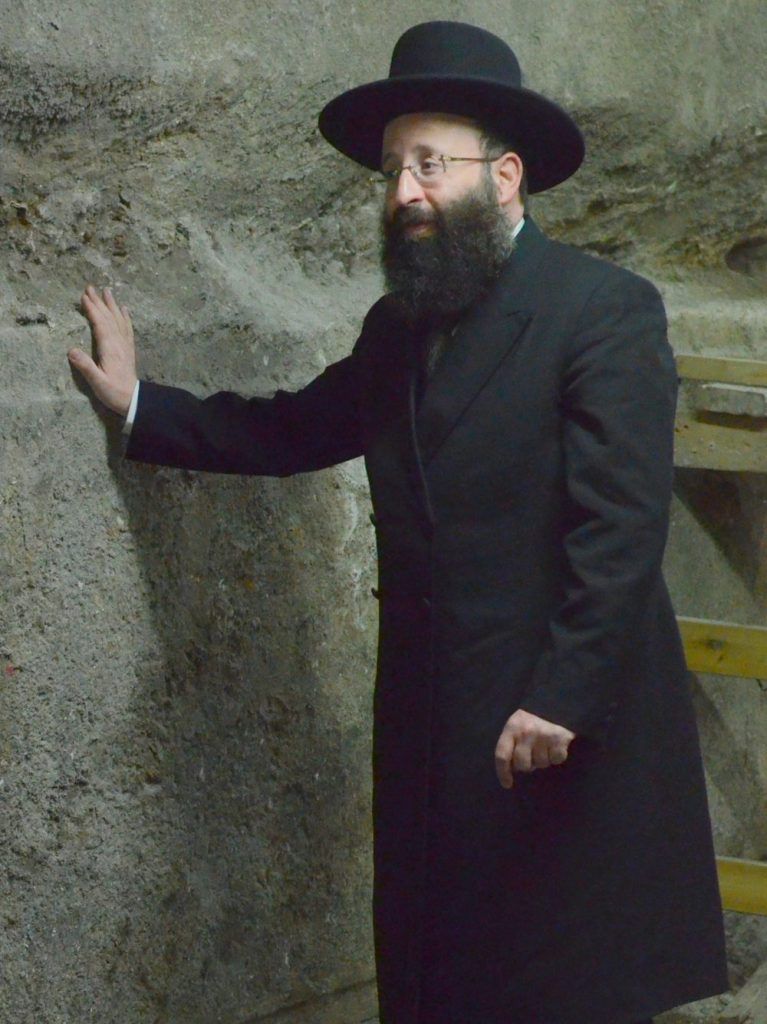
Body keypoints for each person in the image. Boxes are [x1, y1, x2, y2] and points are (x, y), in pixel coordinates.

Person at [68, 20, 728, 1024]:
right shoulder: (396, 329)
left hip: (559, 723)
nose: (404, 193)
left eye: (429, 164)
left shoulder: (602, 310)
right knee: (440, 982)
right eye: (389, 171)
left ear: (504, 177)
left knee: (555, 987)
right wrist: (139, 405)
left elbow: (621, 523)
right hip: (435, 724)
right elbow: (293, 426)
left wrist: (559, 696)